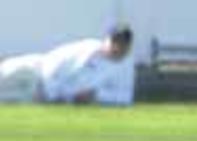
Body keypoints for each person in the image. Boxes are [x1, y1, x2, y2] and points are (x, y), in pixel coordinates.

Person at [0, 24, 135, 105]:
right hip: (35, 70)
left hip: (42, 94)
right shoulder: (89, 48)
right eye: (115, 43)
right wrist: (51, 92)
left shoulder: (125, 66)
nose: (118, 48)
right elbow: (55, 62)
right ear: (107, 40)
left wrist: (96, 95)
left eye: (123, 44)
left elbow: (125, 97)